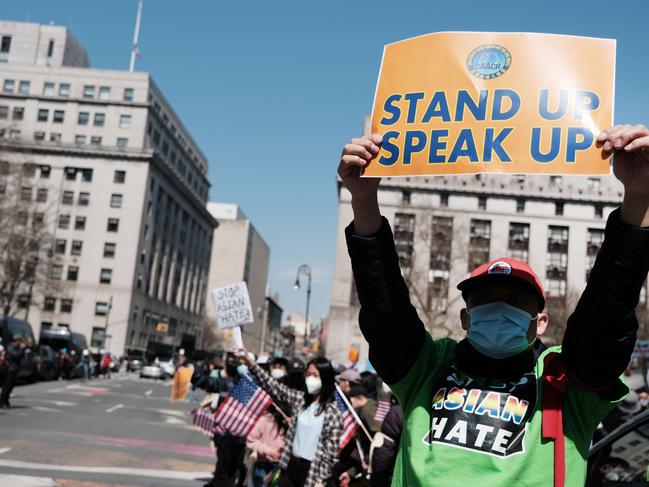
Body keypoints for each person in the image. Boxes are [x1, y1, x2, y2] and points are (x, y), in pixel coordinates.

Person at [338, 123, 649, 486]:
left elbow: (607, 313)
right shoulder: (428, 368)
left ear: (541, 323)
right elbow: (385, 310)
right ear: (465, 318)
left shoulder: (564, 382)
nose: (500, 308)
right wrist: (363, 200)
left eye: (516, 300)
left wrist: (639, 197)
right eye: (485, 299)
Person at [241, 352, 343, 487]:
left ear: (325, 378)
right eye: (308, 374)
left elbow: (331, 454)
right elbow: (274, 386)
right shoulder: (300, 399)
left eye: (315, 375)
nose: (310, 379)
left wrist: (321, 480)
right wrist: (251, 364)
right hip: (290, 465)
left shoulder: (332, 412)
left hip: (312, 470)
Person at [246, 405, 288, 487]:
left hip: (279, 466)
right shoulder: (264, 420)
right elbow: (251, 440)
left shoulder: (287, 423)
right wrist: (269, 451)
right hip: (263, 465)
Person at [1, 336, 26, 408]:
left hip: (14, 369)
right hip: (9, 370)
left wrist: (23, 349)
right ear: (16, 341)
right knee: (6, 387)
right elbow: (16, 355)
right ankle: (2, 402)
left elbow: (20, 356)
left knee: (10, 387)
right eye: (19, 341)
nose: (20, 343)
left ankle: (6, 402)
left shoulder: (17, 348)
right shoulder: (10, 346)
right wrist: (21, 349)